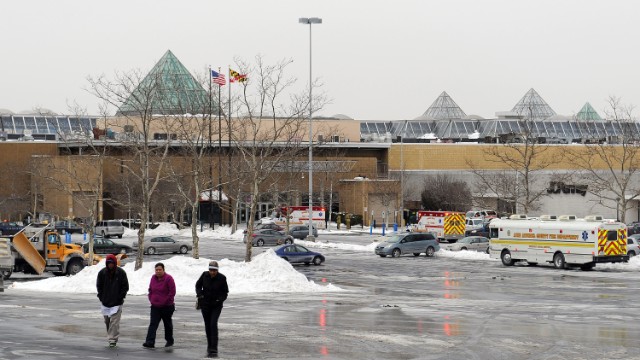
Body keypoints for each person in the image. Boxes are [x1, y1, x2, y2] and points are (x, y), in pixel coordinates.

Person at [195, 260, 229, 357]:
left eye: (214, 270)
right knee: (207, 325)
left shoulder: (222, 278)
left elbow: (225, 292)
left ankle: (214, 348)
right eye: (211, 270)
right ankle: (209, 345)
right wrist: (200, 294)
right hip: (205, 304)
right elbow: (198, 286)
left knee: (213, 324)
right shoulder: (204, 275)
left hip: (216, 306)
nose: (212, 272)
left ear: (217, 271)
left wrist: (219, 300)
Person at [96, 254, 129, 347]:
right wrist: (101, 297)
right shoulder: (102, 273)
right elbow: (99, 286)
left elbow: (125, 286)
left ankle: (112, 339)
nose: (110, 265)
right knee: (107, 321)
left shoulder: (121, 273)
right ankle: (111, 334)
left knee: (114, 322)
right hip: (105, 302)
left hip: (117, 302)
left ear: (115, 263)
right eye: (109, 263)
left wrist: (120, 297)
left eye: (112, 263)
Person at [143, 262, 176, 348]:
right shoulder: (153, 278)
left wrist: (166, 301)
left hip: (167, 306)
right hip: (155, 306)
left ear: (163, 270)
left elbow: (172, 292)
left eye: (160, 270)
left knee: (167, 324)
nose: (158, 271)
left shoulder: (169, 278)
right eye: (156, 270)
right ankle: (150, 342)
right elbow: (150, 290)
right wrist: (151, 299)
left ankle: (169, 340)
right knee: (153, 324)